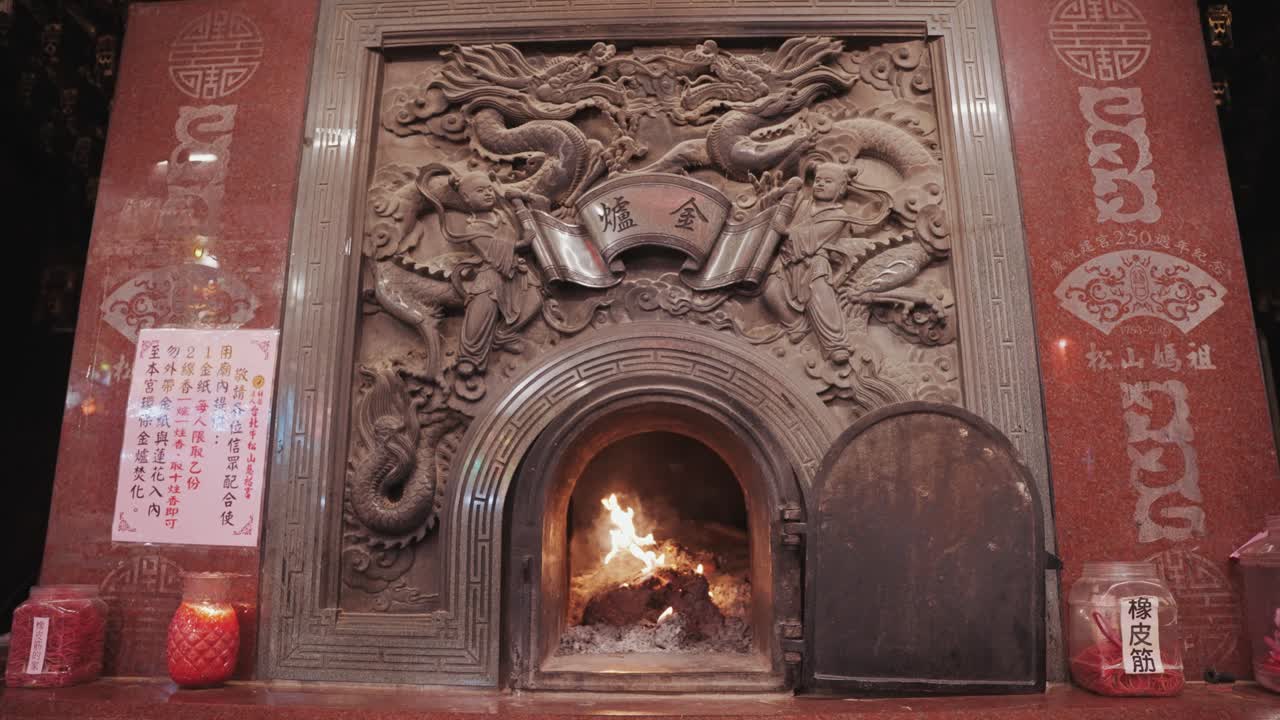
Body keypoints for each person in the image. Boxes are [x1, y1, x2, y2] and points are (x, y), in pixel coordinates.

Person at [765, 162, 890, 364]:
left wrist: (785, 231)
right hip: (787, 262)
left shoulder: (838, 215)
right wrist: (777, 194)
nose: (820, 184)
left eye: (828, 181)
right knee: (770, 290)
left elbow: (812, 238)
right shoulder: (803, 204)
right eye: (818, 180)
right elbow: (777, 212)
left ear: (841, 189)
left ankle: (834, 343)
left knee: (820, 294)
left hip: (815, 262)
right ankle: (797, 325)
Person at [437, 171, 542, 377]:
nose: (487, 194)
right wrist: (523, 243)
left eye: (488, 189)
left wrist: (521, 199)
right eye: (480, 191)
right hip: (491, 273)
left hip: (516, 270)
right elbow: (492, 251)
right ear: (467, 199)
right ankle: (470, 356)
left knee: (534, 301)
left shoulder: (501, 215)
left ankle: (502, 335)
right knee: (482, 308)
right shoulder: (473, 227)